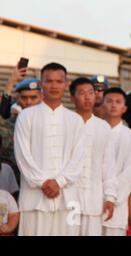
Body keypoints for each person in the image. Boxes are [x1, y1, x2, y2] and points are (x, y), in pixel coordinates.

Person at [14, 62, 87, 236]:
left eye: (58, 81)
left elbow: (78, 158)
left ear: (66, 85)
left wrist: (59, 182)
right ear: (41, 84)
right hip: (34, 199)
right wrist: (44, 183)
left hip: (69, 200)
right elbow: (23, 156)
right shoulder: (26, 116)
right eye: (49, 81)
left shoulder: (75, 120)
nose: (54, 86)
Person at [69, 77, 117, 236]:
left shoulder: (103, 127)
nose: (88, 97)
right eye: (82, 93)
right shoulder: (66, 122)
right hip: (69, 198)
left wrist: (109, 196)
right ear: (72, 97)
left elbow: (108, 165)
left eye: (91, 92)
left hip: (94, 198)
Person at [102, 87, 131, 236]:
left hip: (118, 203)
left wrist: (112, 197)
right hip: (92, 200)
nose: (113, 105)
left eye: (118, 102)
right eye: (109, 101)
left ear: (124, 108)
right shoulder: (94, 130)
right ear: (102, 104)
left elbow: (129, 173)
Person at [0, 78, 42, 181]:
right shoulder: (7, 126)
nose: (29, 102)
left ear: (42, 98)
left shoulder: (50, 125)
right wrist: (10, 83)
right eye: (24, 98)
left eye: (33, 97)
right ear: (17, 99)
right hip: (13, 183)